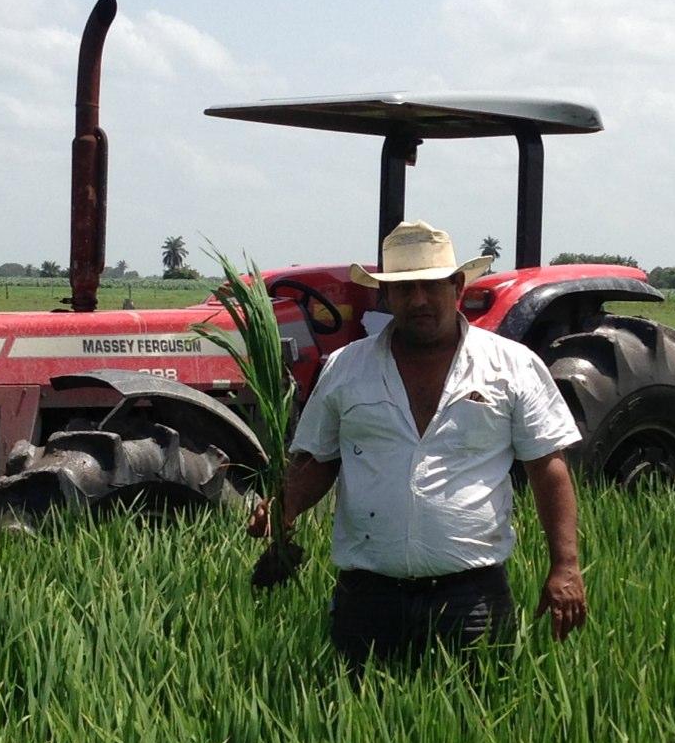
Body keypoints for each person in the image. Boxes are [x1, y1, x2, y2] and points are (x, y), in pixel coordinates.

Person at [249, 219, 588, 668]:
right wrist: (284, 506)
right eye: (405, 289)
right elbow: (319, 460)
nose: (419, 300)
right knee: (360, 727)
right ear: (386, 296)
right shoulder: (346, 369)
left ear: (458, 285)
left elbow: (547, 465)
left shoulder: (511, 366)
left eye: (431, 286)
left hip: (472, 598)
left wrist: (564, 565)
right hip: (367, 598)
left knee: (475, 726)